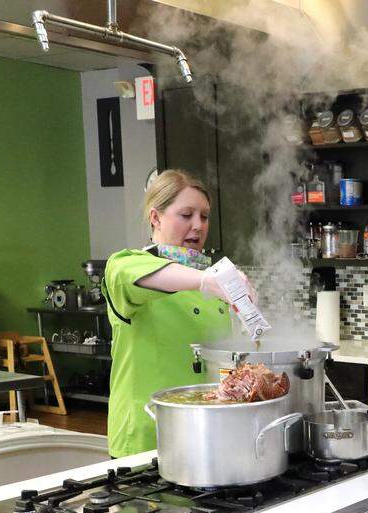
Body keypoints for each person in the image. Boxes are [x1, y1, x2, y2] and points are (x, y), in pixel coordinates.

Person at [103, 169, 256, 458]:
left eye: (204, 216)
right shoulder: (125, 266)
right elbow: (147, 274)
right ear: (155, 218)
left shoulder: (210, 282)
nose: (198, 226)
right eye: (186, 215)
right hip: (147, 438)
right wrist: (209, 280)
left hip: (206, 435)